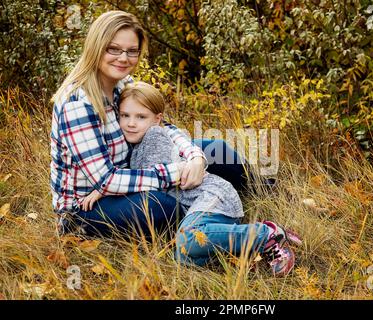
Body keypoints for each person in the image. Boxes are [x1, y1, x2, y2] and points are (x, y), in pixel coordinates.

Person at [50, 11, 246, 237]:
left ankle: (262, 189)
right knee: (159, 206)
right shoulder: (77, 103)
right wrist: (179, 171)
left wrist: (195, 158)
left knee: (216, 150)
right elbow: (106, 180)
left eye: (132, 51)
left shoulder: (123, 82)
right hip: (86, 207)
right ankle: (208, 229)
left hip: (134, 169)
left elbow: (159, 127)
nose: (123, 58)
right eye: (113, 49)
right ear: (96, 47)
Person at [81, 82, 301, 276]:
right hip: (193, 206)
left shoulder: (154, 135)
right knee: (184, 258)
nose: (131, 123)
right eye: (125, 116)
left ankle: (267, 235)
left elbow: (153, 178)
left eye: (141, 117)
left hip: (212, 197)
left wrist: (107, 187)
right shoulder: (135, 142)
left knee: (188, 239)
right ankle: (240, 248)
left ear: (157, 120)